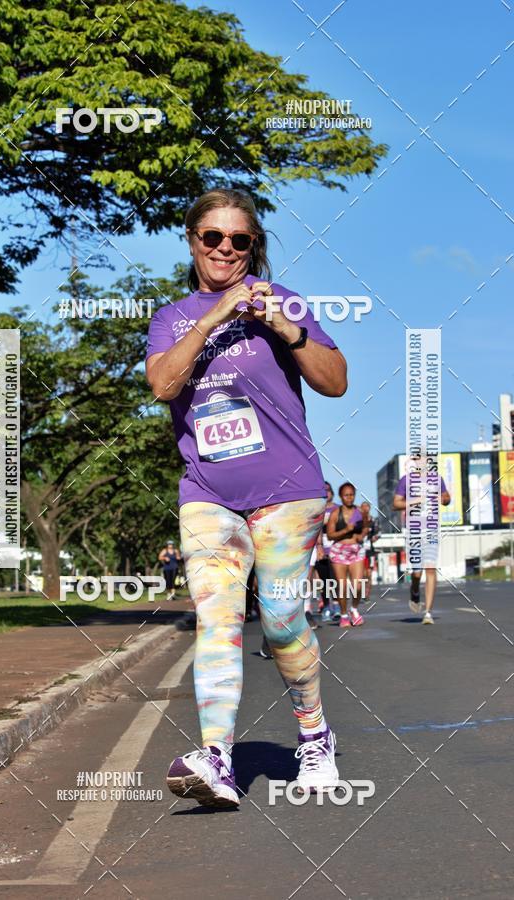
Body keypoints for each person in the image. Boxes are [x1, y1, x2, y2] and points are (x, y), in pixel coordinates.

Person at [146, 188, 347, 808]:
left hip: (288, 493)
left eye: (239, 240)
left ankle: (314, 736)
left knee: (284, 622)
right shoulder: (172, 318)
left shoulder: (281, 302)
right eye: (213, 238)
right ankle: (216, 758)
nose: (226, 249)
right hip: (207, 493)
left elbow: (335, 382)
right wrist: (214, 318)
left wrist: (283, 327)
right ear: (193, 242)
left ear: (251, 245)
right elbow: (162, 384)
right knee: (218, 619)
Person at [393, 470, 450, 624]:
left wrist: (443, 499)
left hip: (431, 530)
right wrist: (416, 500)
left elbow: (446, 499)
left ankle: (428, 613)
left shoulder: (437, 479)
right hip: (414, 531)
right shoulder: (406, 480)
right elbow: (396, 503)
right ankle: (415, 590)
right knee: (417, 574)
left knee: (430, 568)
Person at [326, 482, 368, 628]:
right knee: (342, 586)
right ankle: (344, 615)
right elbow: (330, 535)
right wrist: (345, 530)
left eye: (351, 495)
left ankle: (354, 609)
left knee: (358, 585)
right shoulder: (335, 513)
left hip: (355, 550)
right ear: (341, 496)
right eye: (346, 495)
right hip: (339, 551)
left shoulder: (359, 511)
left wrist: (361, 535)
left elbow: (366, 526)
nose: (349, 498)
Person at [306, 482, 339, 623]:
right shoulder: (317, 508)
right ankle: (326, 605)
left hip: (336, 547)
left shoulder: (338, 509)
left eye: (328, 490)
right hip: (320, 548)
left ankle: (337, 606)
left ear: (332, 492)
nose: (327, 493)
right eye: (324, 490)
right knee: (323, 581)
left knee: (336, 578)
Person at [359, 501, 378, 599]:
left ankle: (367, 594)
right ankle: (362, 592)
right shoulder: (358, 520)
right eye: (363, 507)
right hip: (359, 550)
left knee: (369, 574)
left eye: (367, 507)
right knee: (362, 574)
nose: (365, 509)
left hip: (370, 551)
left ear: (369, 508)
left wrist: (375, 537)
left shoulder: (373, 520)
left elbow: (379, 532)